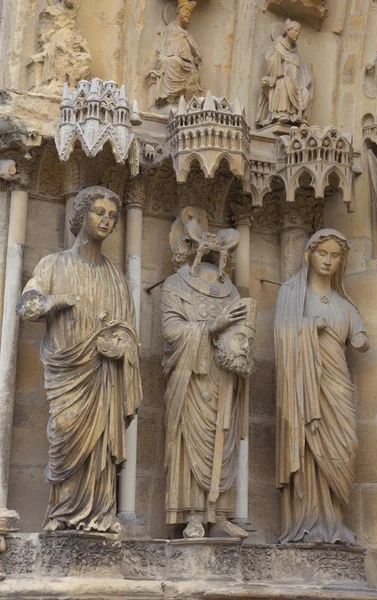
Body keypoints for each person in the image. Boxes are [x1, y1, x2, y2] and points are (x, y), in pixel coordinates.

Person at [17, 186, 142, 533]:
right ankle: (61, 515)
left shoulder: (117, 279)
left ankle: (100, 515)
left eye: (113, 216)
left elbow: (129, 334)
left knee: (101, 450)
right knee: (64, 436)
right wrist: (58, 301)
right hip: (67, 376)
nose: (106, 220)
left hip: (103, 379)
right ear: (81, 215)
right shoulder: (53, 264)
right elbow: (25, 306)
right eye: (99, 212)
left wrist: (121, 349)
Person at [161, 218, 255, 539]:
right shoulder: (175, 285)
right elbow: (171, 330)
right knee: (192, 442)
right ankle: (192, 515)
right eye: (205, 245)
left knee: (223, 438)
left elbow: (240, 334)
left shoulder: (230, 293)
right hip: (191, 377)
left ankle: (219, 514)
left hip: (222, 377)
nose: (214, 251)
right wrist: (212, 326)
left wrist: (241, 345)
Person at [274, 229, 369, 545]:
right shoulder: (291, 292)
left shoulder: (345, 304)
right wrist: (307, 326)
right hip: (306, 390)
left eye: (335, 256)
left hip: (337, 386)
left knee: (347, 442)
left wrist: (360, 339)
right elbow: (281, 334)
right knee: (310, 447)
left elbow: (359, 336)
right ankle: (310, 521)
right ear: (309, 255)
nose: (328, 261)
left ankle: (335, 521)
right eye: (322, 253)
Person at [256, 20, 314, 127]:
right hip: (281, 78)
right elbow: (268, 59)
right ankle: (281, 113)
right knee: (284, 83)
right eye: (296, 31)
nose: (297, 34)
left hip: (295, 83)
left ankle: (297, 116)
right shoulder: (277, 46)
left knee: (305, 92)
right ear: (288, 30)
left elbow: (298, 72)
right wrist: (278, 59)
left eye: (299, 32)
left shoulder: (295, 54)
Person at [149, 0, 203, 105]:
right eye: (186, 11)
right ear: (178, 11)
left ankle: (186, 100)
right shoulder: (169, 30)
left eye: (190, 12)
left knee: (190, 69)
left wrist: (197, 60)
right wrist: (163, 57)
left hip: (187, 64)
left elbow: (197, 53)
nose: (188, 14)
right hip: (172, 61)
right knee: (169, 62)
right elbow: (162, 48)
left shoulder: (187, 35)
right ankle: (171, 96)